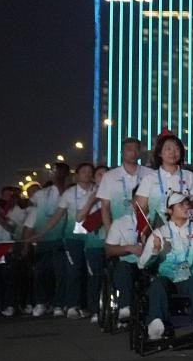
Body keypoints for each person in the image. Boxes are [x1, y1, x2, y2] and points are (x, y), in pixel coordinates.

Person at [142, 193, 193, 340]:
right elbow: (142, 264)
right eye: (180, 205)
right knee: (157, 283)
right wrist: (155, 251)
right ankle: (156, 323)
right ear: (170, 210)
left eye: (187, 203)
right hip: (168, 280)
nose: (186, 206)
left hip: (190, 278)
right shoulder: (159, 233)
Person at [23, 164, 71, 316]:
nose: (55, 174)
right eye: (54, 172)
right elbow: (31, 220)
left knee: (60, 274)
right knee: (41, 274)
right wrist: (26, 244)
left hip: (62, 241)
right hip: (43, 242)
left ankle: (58, 304)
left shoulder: (70, 192)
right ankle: (41, 303)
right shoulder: (41, 195)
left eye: (58, 172)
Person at [57, 163, 98, 318]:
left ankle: (89, 306)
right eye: (83, 171)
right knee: (74, 271)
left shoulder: (98, 190)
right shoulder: (69, 193)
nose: (87, 174)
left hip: (92, 237)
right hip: (73, 237)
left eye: (90, 171)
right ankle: (72, 305)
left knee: (91, 272)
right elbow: (58, 215)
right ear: (77, 175)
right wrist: (44, 232)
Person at [137, 135, 193, 222]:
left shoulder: (189, 176)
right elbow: (141, 210)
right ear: (159, 153)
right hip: (158, 228)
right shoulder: (149, 178)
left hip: (184, 228)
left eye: (177, 149)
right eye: (168, 149)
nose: (173, 152)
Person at [97, 138, 153, 229]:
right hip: (118, 230)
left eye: (136, 149)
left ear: (140, 153)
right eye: (129, 149)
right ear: (122, 153)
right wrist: (108, 231)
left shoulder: (150, 174)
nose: (133, 152)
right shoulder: (109, 176)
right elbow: (105, 208)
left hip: (145, 229)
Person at [82, 164, 109, 323]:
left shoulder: (117, 194)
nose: (103, 177)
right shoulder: (89, 196)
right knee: (95, 278)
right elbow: (82, 220)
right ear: (94, 178)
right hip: (94, 245)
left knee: (114, 277)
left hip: (113, 243)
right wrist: (93, 202)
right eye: (99, 174)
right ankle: (95, 310)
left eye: (106, 174)